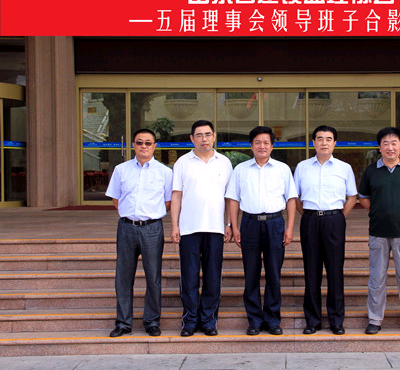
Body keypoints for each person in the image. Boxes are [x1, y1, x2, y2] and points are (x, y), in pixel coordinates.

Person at [226, 126, 297, 336]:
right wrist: (234, 226)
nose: (262, 146)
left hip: (275, 224)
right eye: (258, 142)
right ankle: (254, 320)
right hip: (250, 223)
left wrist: (290, 227)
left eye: (266, 142)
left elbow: (291, 199)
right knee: (251, 273)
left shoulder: (282, 169)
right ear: (251, 146)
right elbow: (233, 199)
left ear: (272, 146)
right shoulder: (240, 170)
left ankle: (273, 320)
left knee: (274, 273)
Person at [105, 128, 173, 337]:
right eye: (139, 142)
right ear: (133, 145)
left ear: (154, 146)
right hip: (126, 228)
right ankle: (123, 323)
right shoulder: (121, 170)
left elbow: (168, 202)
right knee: (123, 277)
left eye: (148, 143)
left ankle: (151, 321)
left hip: (152, 228)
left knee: (153, 277)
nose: (144, 146)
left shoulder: (165, 172)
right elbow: (116, 200)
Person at [358, 127, 400, 336]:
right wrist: (379, 212)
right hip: (378, 232)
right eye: (385, 143)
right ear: (379, 147)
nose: (390, 147)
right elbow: (364, 199)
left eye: (394, 143)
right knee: (376, 278)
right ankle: (375, 319)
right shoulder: (370, 171)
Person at [170, 120, 233, 337]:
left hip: (215, 228)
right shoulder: (182, 162)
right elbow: (176, 195)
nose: (204, 139)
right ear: (192, 138)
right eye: (199, 135)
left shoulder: (224, 162)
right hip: (188, 229)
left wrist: (229, 224)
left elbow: (230, 197)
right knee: (189, 277)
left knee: (212, 276)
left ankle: (208, 320)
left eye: (207, 134)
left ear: (214, 136)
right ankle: (189, 321)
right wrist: (175, 225)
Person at [294, 125, 358, 335]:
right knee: (311, 272)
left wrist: (338, 217)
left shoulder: (344, 168)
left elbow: (352, 197)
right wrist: (309, 215)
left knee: (335, 271)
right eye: (320, 139)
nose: (324, 143)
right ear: (313, 142)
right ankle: (312, 321)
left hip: (334, 221)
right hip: (310, 220)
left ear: (335, 143)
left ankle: (336, 320)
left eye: (328, 139)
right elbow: (295, 197)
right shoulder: (302, 167)